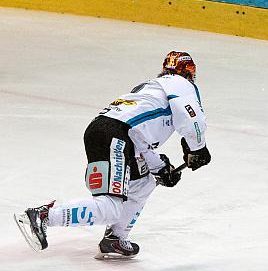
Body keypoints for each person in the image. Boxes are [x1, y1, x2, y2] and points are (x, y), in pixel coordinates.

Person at [14, 51, 212, 259]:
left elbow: (138, 138)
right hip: (115, 136)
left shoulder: (152, 90)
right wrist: (197, 148)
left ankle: (116, 238)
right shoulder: (180, 84)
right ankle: (44, 216)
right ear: (189, 73)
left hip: (109, 132)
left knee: (143, 183)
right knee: (109, 207)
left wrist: (160, 168)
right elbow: (191, 118)